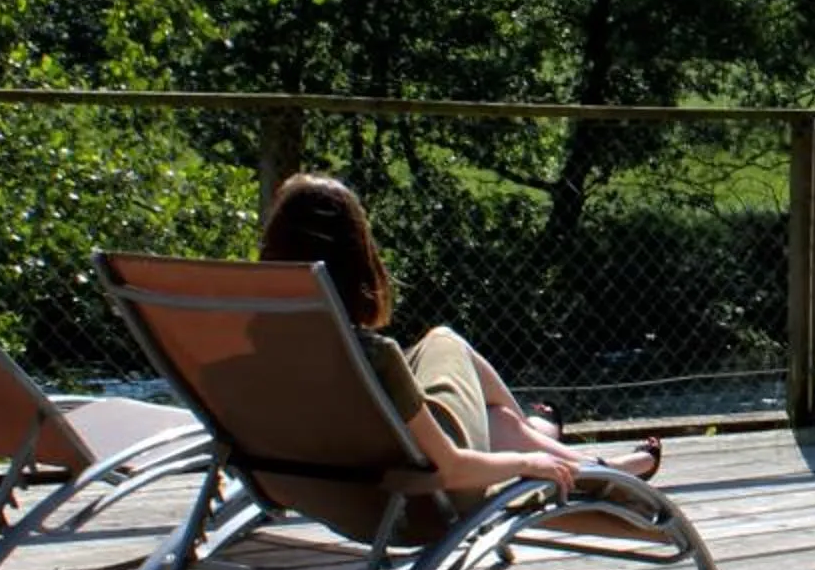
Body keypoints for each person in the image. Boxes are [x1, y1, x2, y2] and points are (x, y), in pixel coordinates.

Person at [257, 173, 661, 501]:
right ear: (359, 259)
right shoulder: (373, 357)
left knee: (493, 415)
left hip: (337, 491)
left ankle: (566, 450)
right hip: (424, 494)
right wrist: (527, 466)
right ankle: (565, 453)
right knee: (447, 341)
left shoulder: (255, 344)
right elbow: (451, 468)